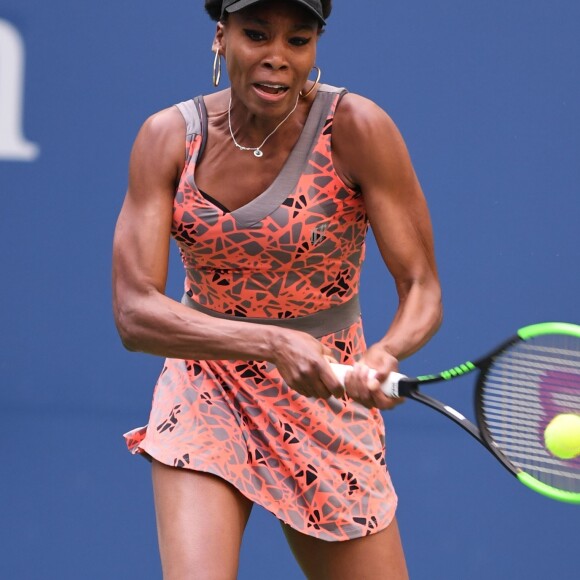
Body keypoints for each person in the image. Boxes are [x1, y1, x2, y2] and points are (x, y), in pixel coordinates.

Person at [113, 0, 442, 577]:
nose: (277, 58)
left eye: (298, 40)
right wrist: (268, 342)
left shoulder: (358, 128)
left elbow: (422, 286)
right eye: (257, 35)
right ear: (221, 38)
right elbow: (134, 313)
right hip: (207, 383)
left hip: (328, 394)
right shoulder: (168, 137)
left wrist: (385, 352)